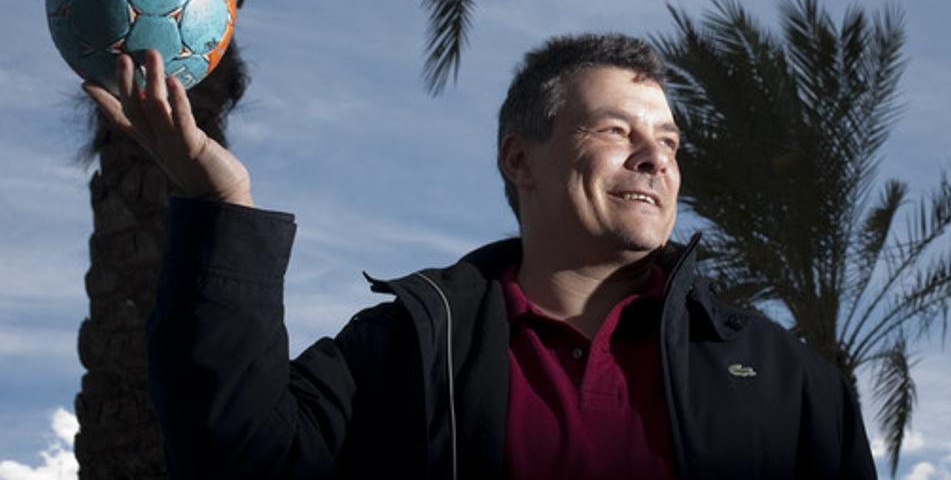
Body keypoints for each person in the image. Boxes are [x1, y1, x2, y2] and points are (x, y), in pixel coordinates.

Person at [84, 34, 877, 479]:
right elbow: (239, 464)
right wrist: (223, 214)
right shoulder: (402, 350)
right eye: (617, 131)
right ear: (519, 158)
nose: (655, 159)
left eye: (668, 141)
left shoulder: (790, 381)